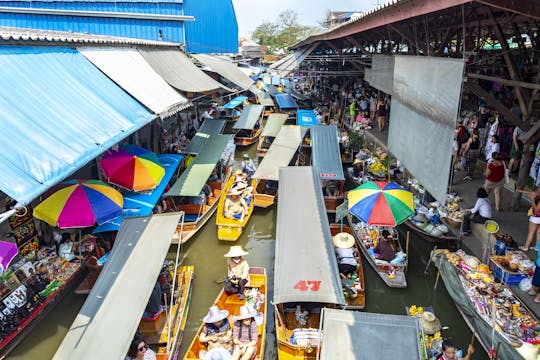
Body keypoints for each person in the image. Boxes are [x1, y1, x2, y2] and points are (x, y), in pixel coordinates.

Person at [518, 185, 540, 252]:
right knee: (539, 232)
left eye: (539, 188)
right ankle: (537, 247)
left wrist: (532, 200)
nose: (537, 189)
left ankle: (526, 247)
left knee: (531, 232)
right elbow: (530, 192)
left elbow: (536, 209)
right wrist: (519, 190)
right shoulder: (538, 194)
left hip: (536, 217)